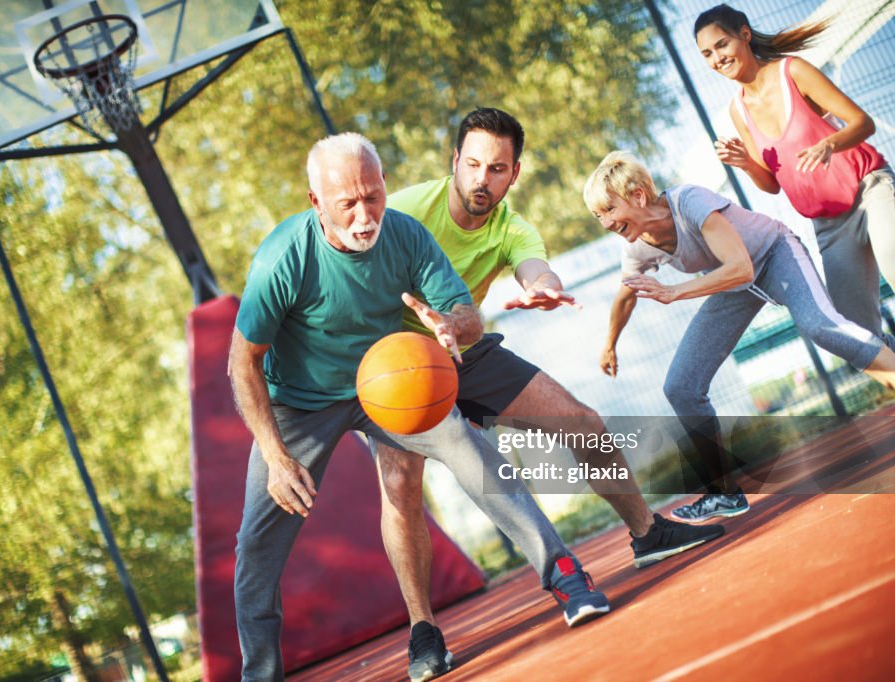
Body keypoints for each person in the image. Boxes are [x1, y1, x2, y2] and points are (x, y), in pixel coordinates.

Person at [230, 132, 611, 682]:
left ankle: (565, 574)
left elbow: (467, 314)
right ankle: (260, 675)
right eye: (347, 204)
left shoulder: (404, 236)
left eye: (373, 196)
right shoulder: (282, 259)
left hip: (385, 383)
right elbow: (243, 361)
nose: (365, 215)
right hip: (298, 404)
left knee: (465, 445)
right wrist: (273, 451)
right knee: (256, 543)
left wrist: (450, 324)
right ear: (316, 203)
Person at [375, 108, 725, 682]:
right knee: (399, 483)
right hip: (397, 365)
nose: (482, 179)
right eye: (473, 165)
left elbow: (536, 268)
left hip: (467, 349)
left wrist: (542, 289)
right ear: (454, 162)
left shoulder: (511, 226)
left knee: (581, 420)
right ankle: (423, 630)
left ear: (514, 174)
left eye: (497, 168)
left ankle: (647, 532)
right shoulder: (407, 210)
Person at [584, 150, 895, 525]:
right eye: (597, 215)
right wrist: (609, 344)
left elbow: (740, 265)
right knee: (681, 386)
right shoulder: (635, 245)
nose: (604, 221)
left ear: (637, 196)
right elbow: (625, 295)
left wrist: (676, 293)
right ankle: (724, 493)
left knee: (822, 327)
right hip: (735, 287)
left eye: (607, 209)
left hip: (774, 253)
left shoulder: (689, 201)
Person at [693, 4, 895, 350]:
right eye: (707, 54)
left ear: (744, 34)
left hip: (870, 190)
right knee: (858, 340)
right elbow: (771, 183)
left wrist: (829, 143)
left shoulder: (793, 71)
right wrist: (745, 163)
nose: (717, 58)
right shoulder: (737, 109)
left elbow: (863, 123)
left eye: (721, 45)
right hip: (830, 224)